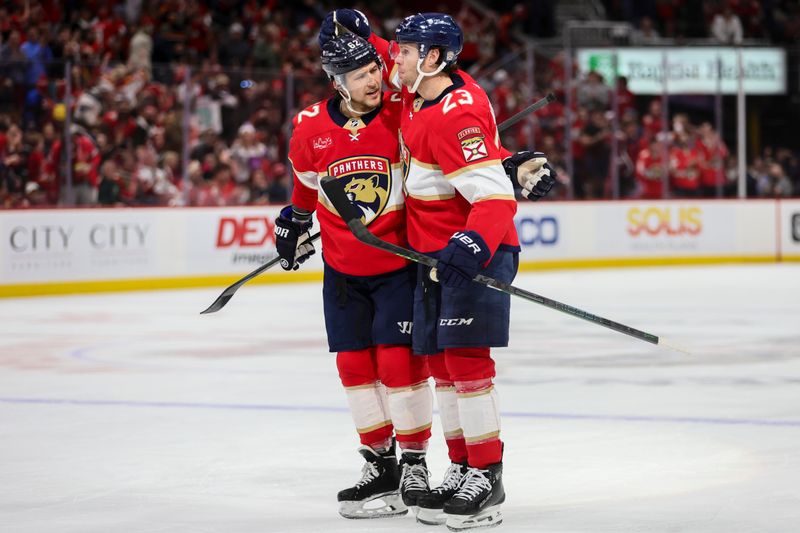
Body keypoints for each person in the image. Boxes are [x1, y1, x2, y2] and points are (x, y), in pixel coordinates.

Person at [319, 10, 556, 530]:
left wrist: (470, 246)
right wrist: (347, 28)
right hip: (432, 258)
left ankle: (487, 476)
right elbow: (374, 53)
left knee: (468, 368)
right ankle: (462, 465)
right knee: (443, 372)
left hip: (474, 255)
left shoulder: (456, 115)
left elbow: (494, 200)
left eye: (402, 53)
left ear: (429, 58)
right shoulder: (416, 91)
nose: (391, 61)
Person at [273, 33, 434, 520]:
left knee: (398, 368)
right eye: (360, 74)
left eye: (374, 69)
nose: (373, 80)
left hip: (397, 267)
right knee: (354, 371)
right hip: (343, 273)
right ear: (337, 83)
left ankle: (414, 464)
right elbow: (305, 188)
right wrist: (295, 222)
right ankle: (380, 462)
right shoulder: (308, 128)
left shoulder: (401, 112)